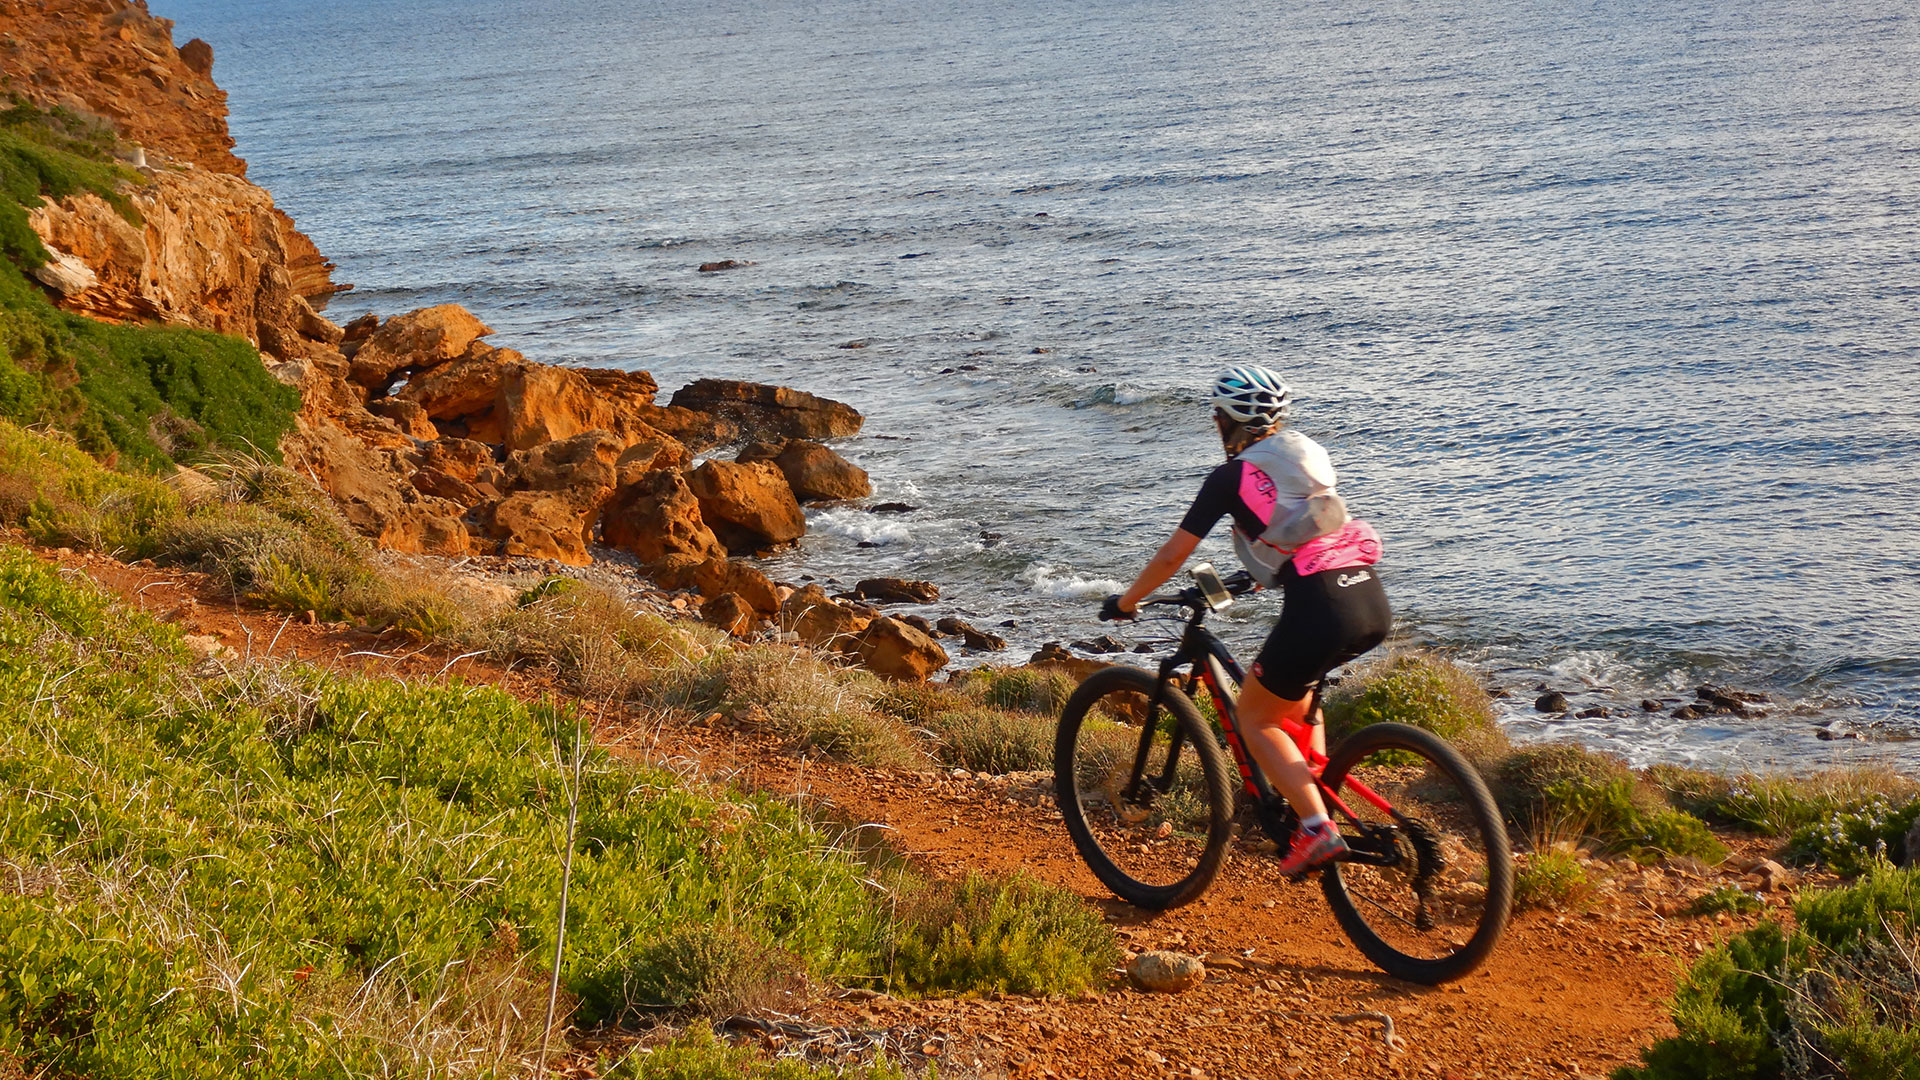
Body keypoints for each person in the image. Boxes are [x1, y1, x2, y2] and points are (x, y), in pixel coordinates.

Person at [1101, 365, 1391, 878]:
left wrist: (1127, 601)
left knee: (1255, 718)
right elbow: (1302, 533)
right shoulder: (1304, 458)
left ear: (1224, 421)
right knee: (1296, 698)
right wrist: (1251, 576)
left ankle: (1316, 828)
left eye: (1216, 417)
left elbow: (1173, 555)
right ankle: (1312, 787)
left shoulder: (1231, 476)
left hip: (1319, 606)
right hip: (1367, 597)